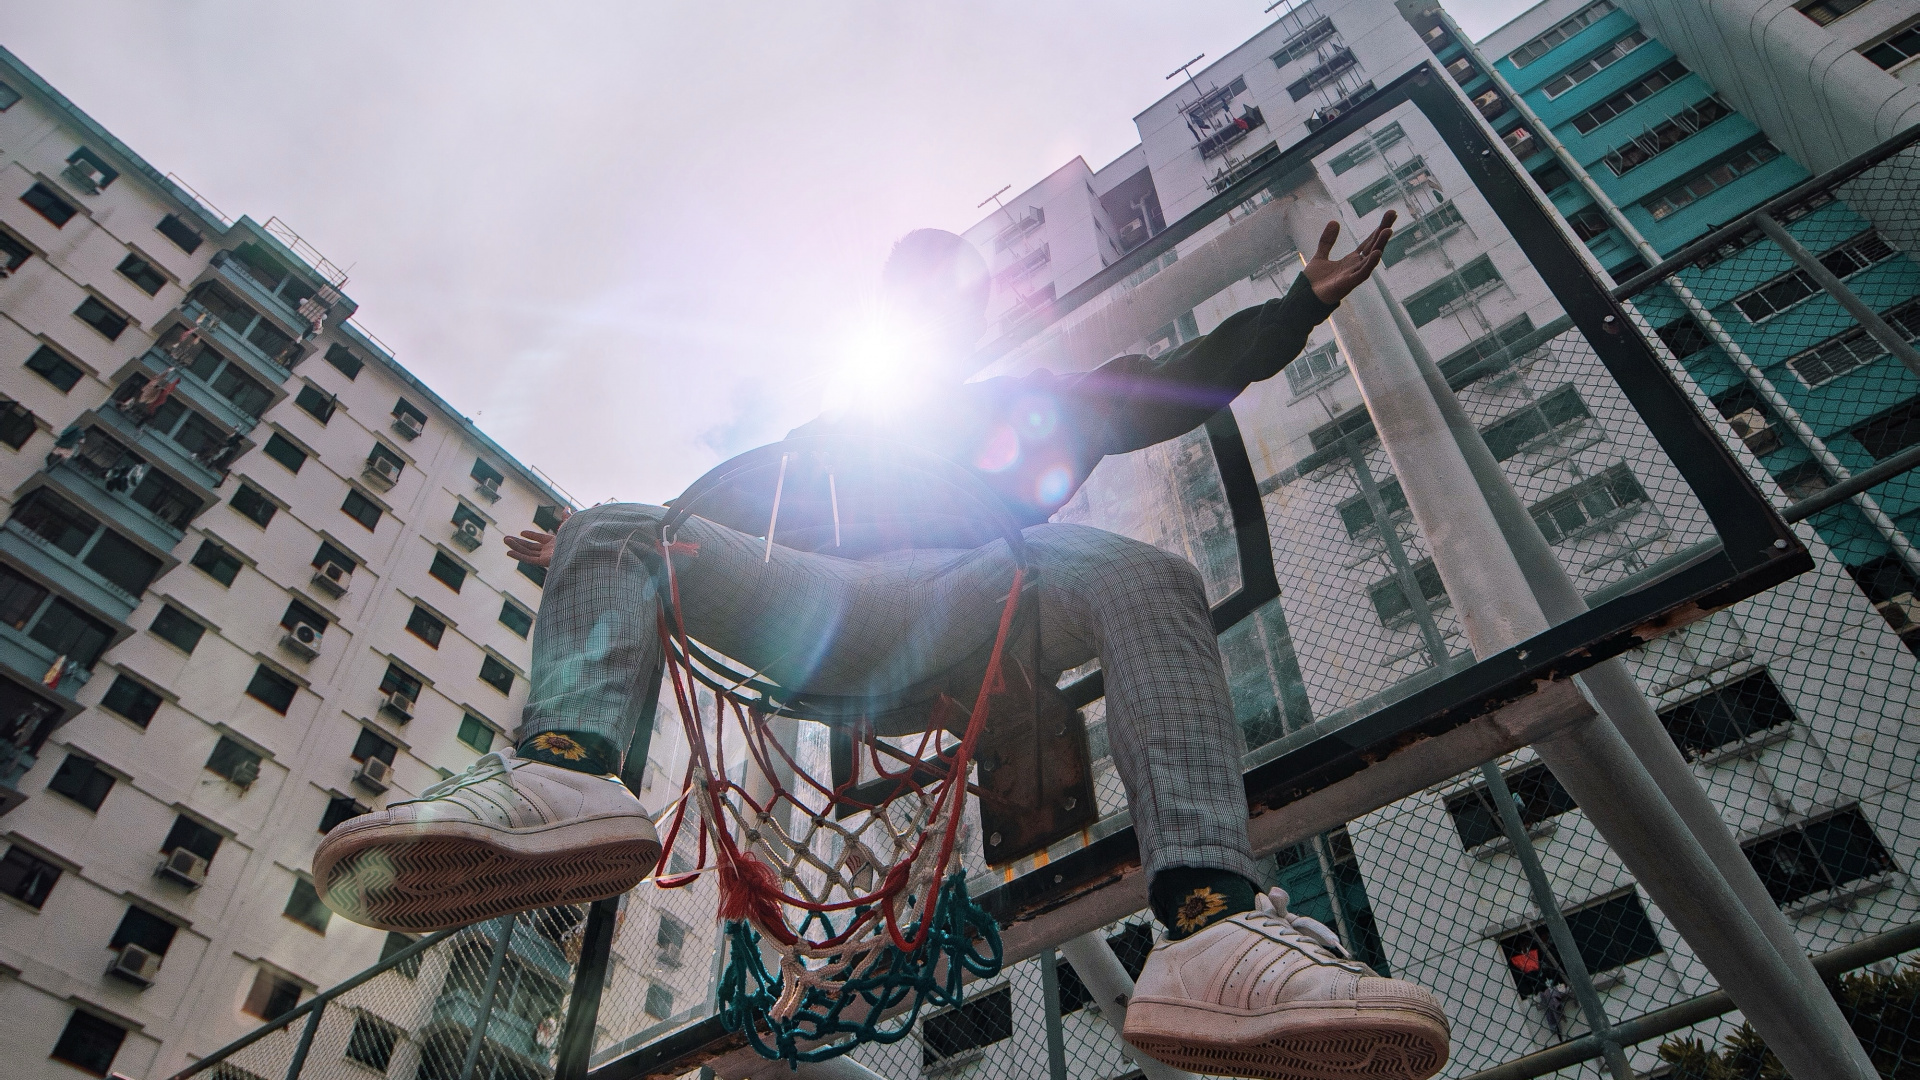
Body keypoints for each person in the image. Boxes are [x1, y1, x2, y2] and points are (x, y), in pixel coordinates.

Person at [315, 212, 1453, 1080]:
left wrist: (1292, 309)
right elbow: (686, 525)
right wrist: (586, 550)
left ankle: (1209, 925)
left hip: (972, 600)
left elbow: (1151, 391)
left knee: (1146, 573)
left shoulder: (1015, 405)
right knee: (619, 528)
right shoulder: (820, 442)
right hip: (823, 613)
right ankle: (568, 772)